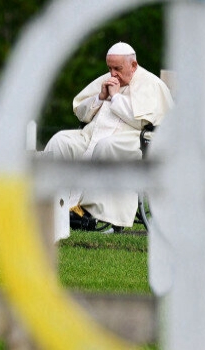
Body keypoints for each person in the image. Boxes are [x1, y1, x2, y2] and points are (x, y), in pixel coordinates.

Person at [43, 42, 173, 233]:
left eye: (117, 69)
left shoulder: (152, 84)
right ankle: (48, 204)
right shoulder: (107, 80)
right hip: (91, 135)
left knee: (106, 146)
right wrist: (100, 97)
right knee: (60, 140)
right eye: (110, 68)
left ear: (134, 65)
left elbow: (142, 121)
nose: (112, 74)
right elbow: (81, 114)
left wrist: (115, 98)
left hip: (134, 140)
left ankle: (89, 213)